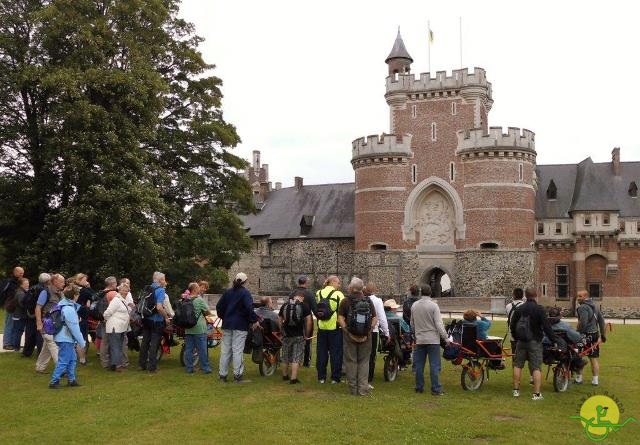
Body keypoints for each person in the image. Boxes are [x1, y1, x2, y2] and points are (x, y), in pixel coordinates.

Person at [510, 287, 558, 400]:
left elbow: (512, 325)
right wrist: (554, 340)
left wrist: (517, 337)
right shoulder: (539, 309)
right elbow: (546, 327)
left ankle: (516, 390)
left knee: (517, 365)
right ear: (536, 295)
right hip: (535, 341)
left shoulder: (519, 309)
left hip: (521, 341)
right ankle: (536, 394)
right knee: (536, 367)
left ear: (525, 296)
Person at [216, 272, 259, 383]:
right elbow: (250, 308)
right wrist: (254, 320)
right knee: (237, 350)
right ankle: (237, 376)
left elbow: (219, 306)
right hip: (240, 325)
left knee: (225, 350)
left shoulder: (228, 292)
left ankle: (223, 375)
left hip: (227, 324)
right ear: (245, 281)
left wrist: (223, 316)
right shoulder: (245, 293)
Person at [337, 277, 377, 396]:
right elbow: (374, 318)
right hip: (366, 336)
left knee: (351, 361)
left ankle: (353, 389)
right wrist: (368, 331)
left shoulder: (345, 301)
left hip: (350, 336)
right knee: (364, 362)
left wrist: (347, 332)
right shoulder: (368, 301)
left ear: (351, 288)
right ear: (362, 288)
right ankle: (363, 389)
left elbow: (340, 318)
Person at [410, 284, 449, 396]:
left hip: (420, 339)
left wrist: (415, 333)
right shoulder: (433, 306)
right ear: (430, 293)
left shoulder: (414, 306)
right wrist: (446, 338)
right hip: (433, 339)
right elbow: (439, 324)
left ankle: (419, 387)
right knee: (434, 365)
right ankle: (436, 389)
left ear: (421, 293)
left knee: (419, 365)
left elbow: (412, 323)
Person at [49, 285, 86, 388]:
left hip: (62, 337)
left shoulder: (62, 304)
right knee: (64, 360)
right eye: (78, 294)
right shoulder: (69, 309)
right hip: (65, 338)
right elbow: (74, 328)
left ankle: (72, 380)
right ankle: (54, 381)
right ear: (74, 295)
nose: (78, 296)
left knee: (72, 359)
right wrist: (82, 342)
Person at [138, 272, 171, 373]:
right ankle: (152, 367)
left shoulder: (148, 288)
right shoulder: (160, 290)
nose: (165, 281)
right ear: (160, 280)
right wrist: (166, 317)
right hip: (156, 320)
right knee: (154, 343)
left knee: (145, 342)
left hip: (146, 318)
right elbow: (159, 307)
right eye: (164, 279)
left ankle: (141, 365)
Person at [315, 275, 345, 384]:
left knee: (321, 353)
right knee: (335, 353)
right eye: (338, 283)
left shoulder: (319, 293)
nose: (339, 285)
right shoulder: (338, 294)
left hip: (322, 326)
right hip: (334, 327)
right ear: (333, 282)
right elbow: (342, 310)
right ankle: (335, 378)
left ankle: (321, 377)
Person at [278, 289, 313, 384]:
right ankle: (293, 378)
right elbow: (309, 321)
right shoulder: (304, 306)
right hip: (299, 335)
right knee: (296, 357)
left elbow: (280, 318)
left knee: (285, 356)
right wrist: (307, 334)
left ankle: (285, 375)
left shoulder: (285, 305)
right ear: (302, 297)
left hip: (286, 335)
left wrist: (282, 331)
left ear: (294, 297)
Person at [574, 290, 606, 386]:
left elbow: (583, 322)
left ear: (585, 296)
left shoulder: (583, 307)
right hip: (594, 335)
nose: (578, 298)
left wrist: (578, 333)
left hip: (584, 335)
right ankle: (595, 381)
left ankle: (579, 379)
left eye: (580, 296)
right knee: (593, 358)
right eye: (577, 296)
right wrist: (603, 335)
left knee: (578, 356)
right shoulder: (595, 306)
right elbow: (601, 321)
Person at [35, 273, 65, 373]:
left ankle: (40, 367)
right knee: (54, 344)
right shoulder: (45, 292)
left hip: (57, 324)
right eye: (62, 282)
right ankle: (61, 370)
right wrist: (39, 323)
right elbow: (38, 308)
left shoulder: (61, 293)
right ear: (55, 282)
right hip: (47, 323)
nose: (63, 284)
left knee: (47, 347)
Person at [183, 282, 213, 374]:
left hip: (188, 328)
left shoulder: (185, 299)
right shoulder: (199, 300)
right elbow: (208, 311)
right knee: (202, 349)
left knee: (189, 349)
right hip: (199, 328)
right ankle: (206, 368)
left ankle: (189, 368)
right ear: (195, 290)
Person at [363, 283, 388, 388]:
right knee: (371, 355)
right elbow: (382, 318)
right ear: (374, 290)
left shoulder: (360, 299)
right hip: (373, 330)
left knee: (361, 355)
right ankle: (368, 379)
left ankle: (359, 376)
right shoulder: (377, 301)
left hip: (360, 330)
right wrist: (386, 332)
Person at [102, 283, 130, 372]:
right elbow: (107, 313)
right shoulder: (116, 300)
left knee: (118, 346)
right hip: (115, 327)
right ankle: (117, 366)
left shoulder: (123, 300)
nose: (125, 292)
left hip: (121, 327)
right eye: (123, 290)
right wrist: (108, 320)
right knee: (116, 346)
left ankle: (114, 364)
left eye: (127, 290)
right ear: (119, 290)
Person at [289, 275, 316, 367]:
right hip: (306, 320)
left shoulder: (292, 293)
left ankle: (293, 359)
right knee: (307, 341)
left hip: (293, 320)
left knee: (293, 340)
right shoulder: (309, 294)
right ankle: (306, 361)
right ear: (306, 283)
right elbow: (314, 309)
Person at [22, 273, 50, 358]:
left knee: (29, 334)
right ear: (47, 281)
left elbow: (24, 300)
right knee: (40, 334)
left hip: (30, 313)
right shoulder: (44, 290)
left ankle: (26, 353)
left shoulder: (32, 288)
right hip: (39, 313)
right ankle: (40, 354)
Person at [1, 266, 24, 350]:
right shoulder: (10, 282)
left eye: (22, 273)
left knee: (15, 325)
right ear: (15, 272)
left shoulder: (18, 282)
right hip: (10, 306)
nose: (22, 274)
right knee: (9, 324)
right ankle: (7, 343)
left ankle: (13, 343)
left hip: (15, 306)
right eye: (20, 273)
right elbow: (6, 294)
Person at [98, 277, 119, 369]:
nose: (116, 284)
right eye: (115, 282)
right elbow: (115, 307)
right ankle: (110, 363)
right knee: (111, 341)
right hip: (110, 319)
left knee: (104, 341)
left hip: (103, 318)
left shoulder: (102, 292)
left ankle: (104, 362)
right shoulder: (112, 293)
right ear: (112, 284)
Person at [505, 288, 525, 362]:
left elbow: (508, 318)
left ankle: (515, 369)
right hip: (524, 333)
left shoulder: (508, 306)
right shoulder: (525, 305)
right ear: (522, 296)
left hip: (512, 333)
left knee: (514, 353)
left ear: (513, 295)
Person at [10, 277, 29, 351]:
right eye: (26, 283)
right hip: (20, 316)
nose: (28, 285)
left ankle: (16, 346)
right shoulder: (20, 293)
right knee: (18, 331)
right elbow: (22, 304)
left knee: (18, 331)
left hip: (19, 315)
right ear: (21, 285)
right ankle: (16, 347)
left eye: (28, 283)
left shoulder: (21, 291)